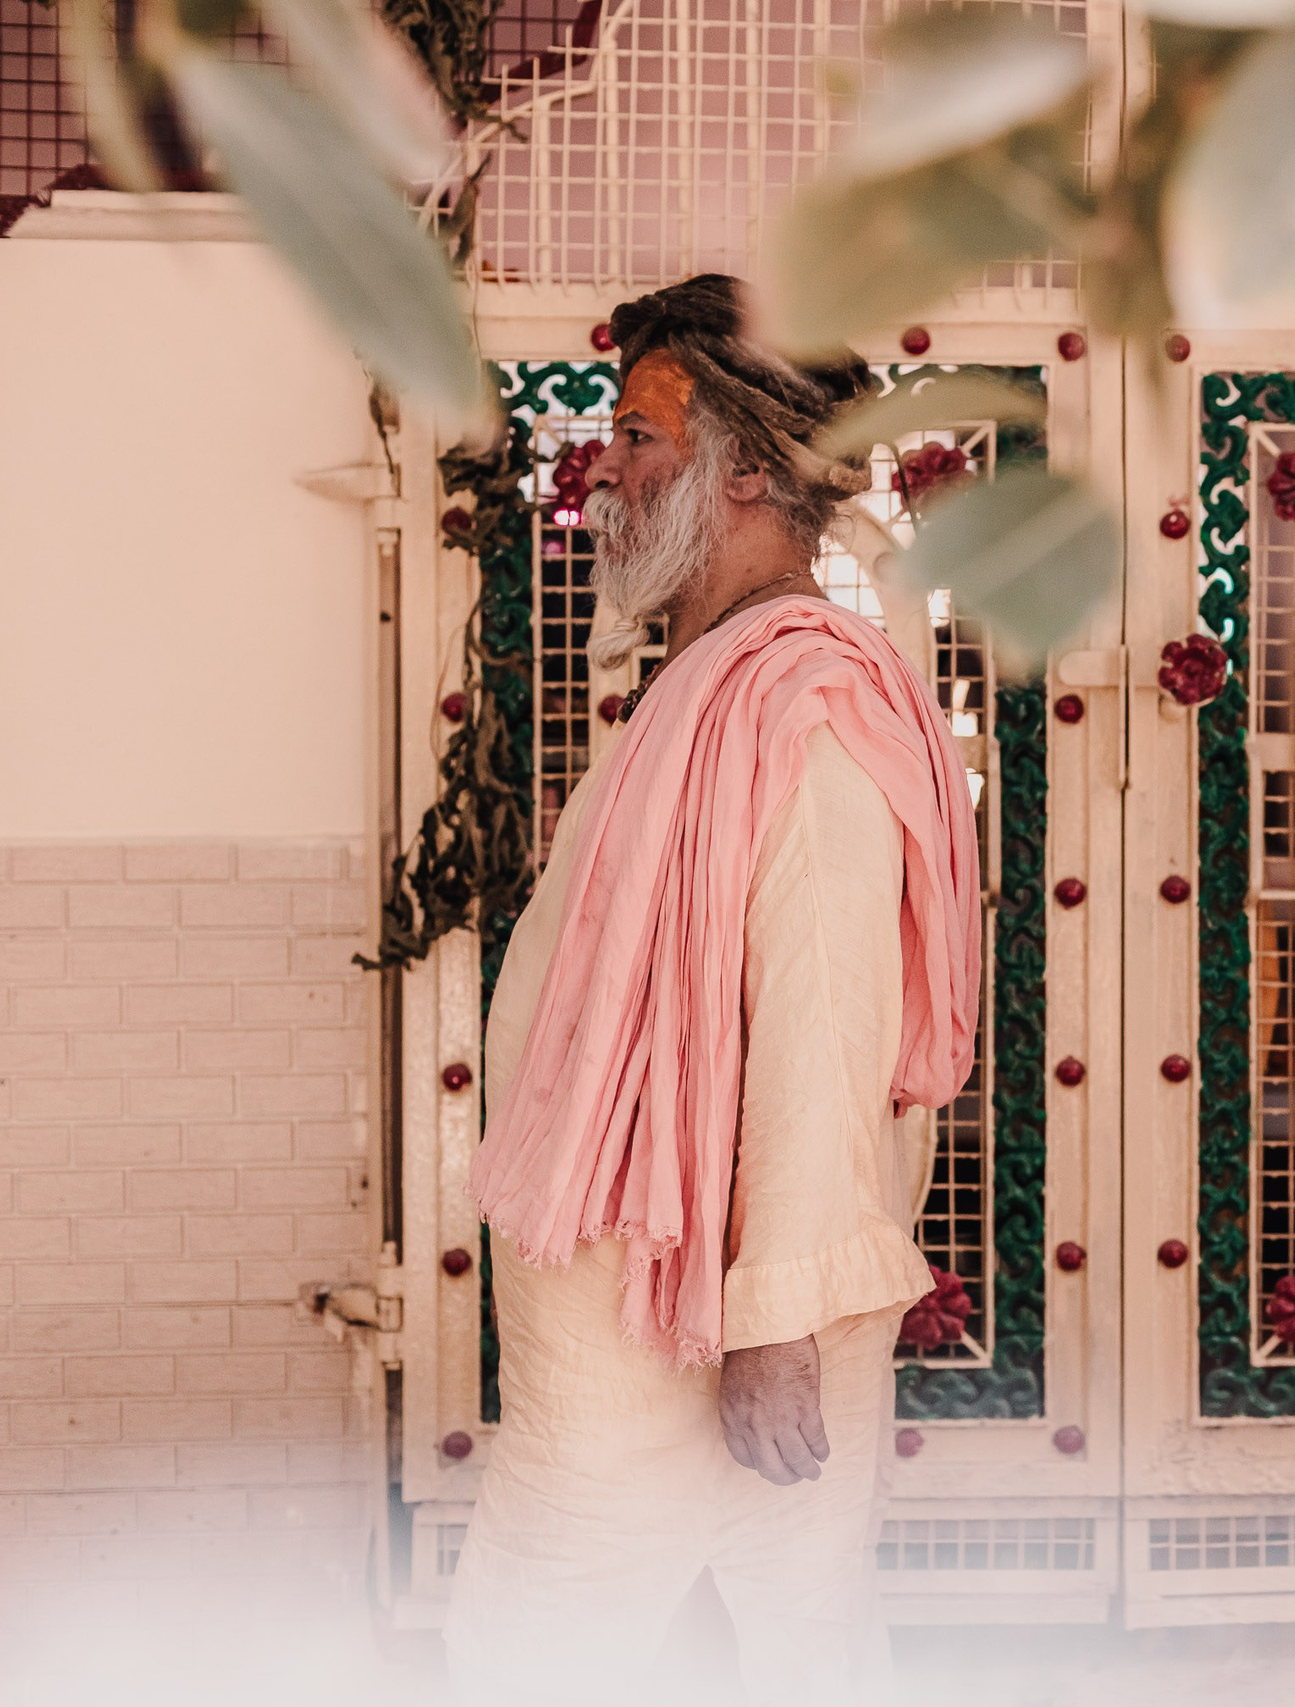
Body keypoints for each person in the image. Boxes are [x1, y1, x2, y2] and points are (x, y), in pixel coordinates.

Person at [444, 274, 982, 1704]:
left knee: (704, 1648)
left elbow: (818, 1019)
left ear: (750, 466)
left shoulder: (802, 705)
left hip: (715, 1342)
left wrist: (775, 1331)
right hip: (618, 1336)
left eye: (637, 434)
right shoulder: (699, 685)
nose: (604, 468)